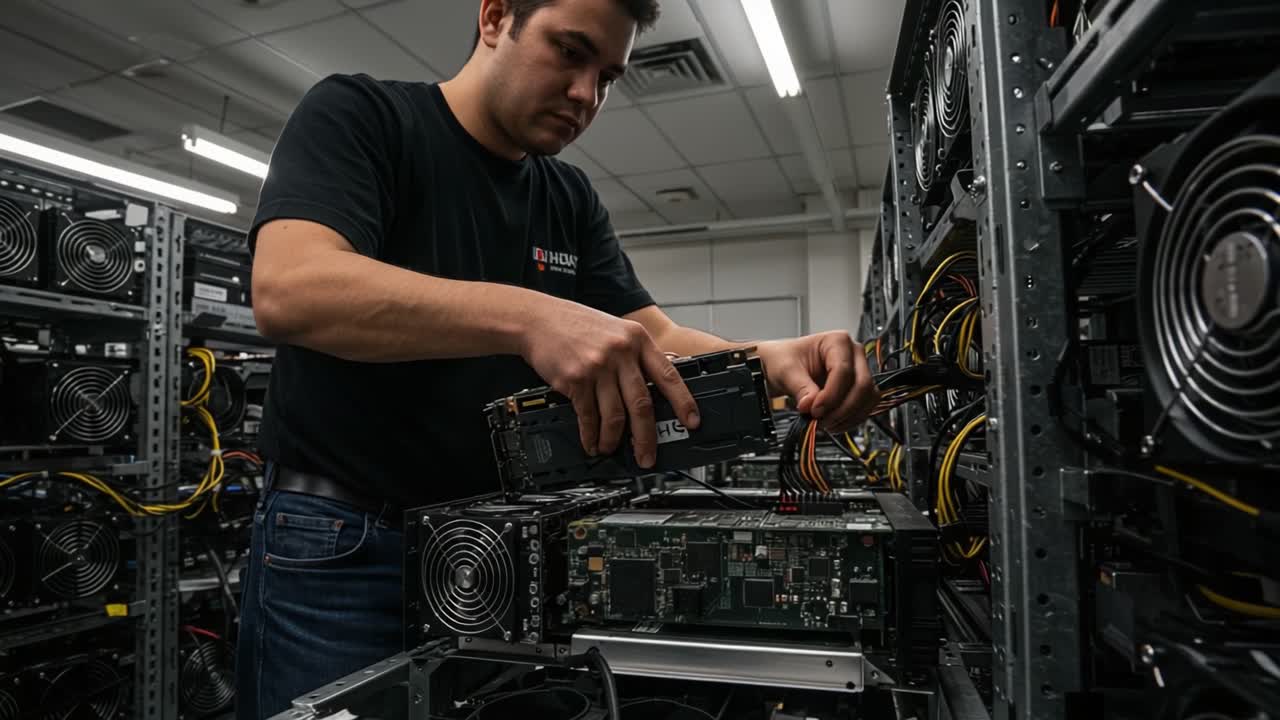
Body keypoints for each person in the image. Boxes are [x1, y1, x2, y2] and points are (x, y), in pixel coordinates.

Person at [235, 0, 880, 716]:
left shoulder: (566, 195)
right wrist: (530, 316)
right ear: (494, 16)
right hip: (346, 550)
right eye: (569, 52)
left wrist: (770, 358)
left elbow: (649, 336)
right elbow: (291, 290)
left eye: (607, 76)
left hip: (495, 555)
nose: (586, 96)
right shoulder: (363, 116)